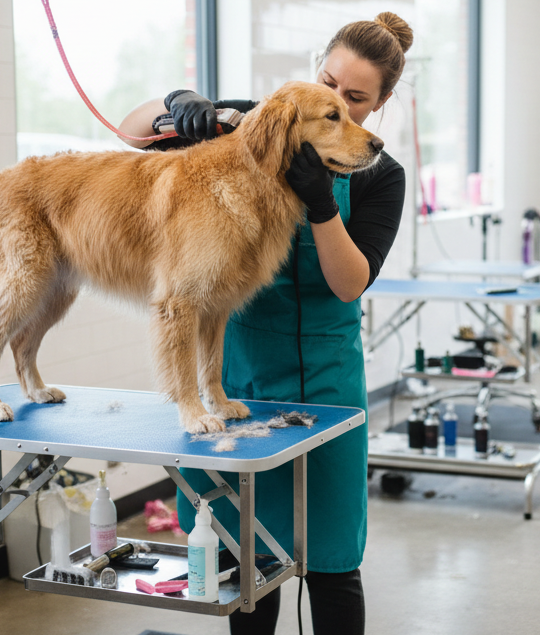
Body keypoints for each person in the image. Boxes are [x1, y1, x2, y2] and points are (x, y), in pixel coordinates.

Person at [117, 12, 413, 635]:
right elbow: (132, 132)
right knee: (245, 561)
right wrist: (179, 105)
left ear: (382, 103)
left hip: (328, 389)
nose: (335, 102)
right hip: (241, 380)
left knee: (332, 563)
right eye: (327, 83)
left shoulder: (379, 171)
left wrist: (321, 200)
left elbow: (348, 283)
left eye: (355, 98)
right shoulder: (261, 125)